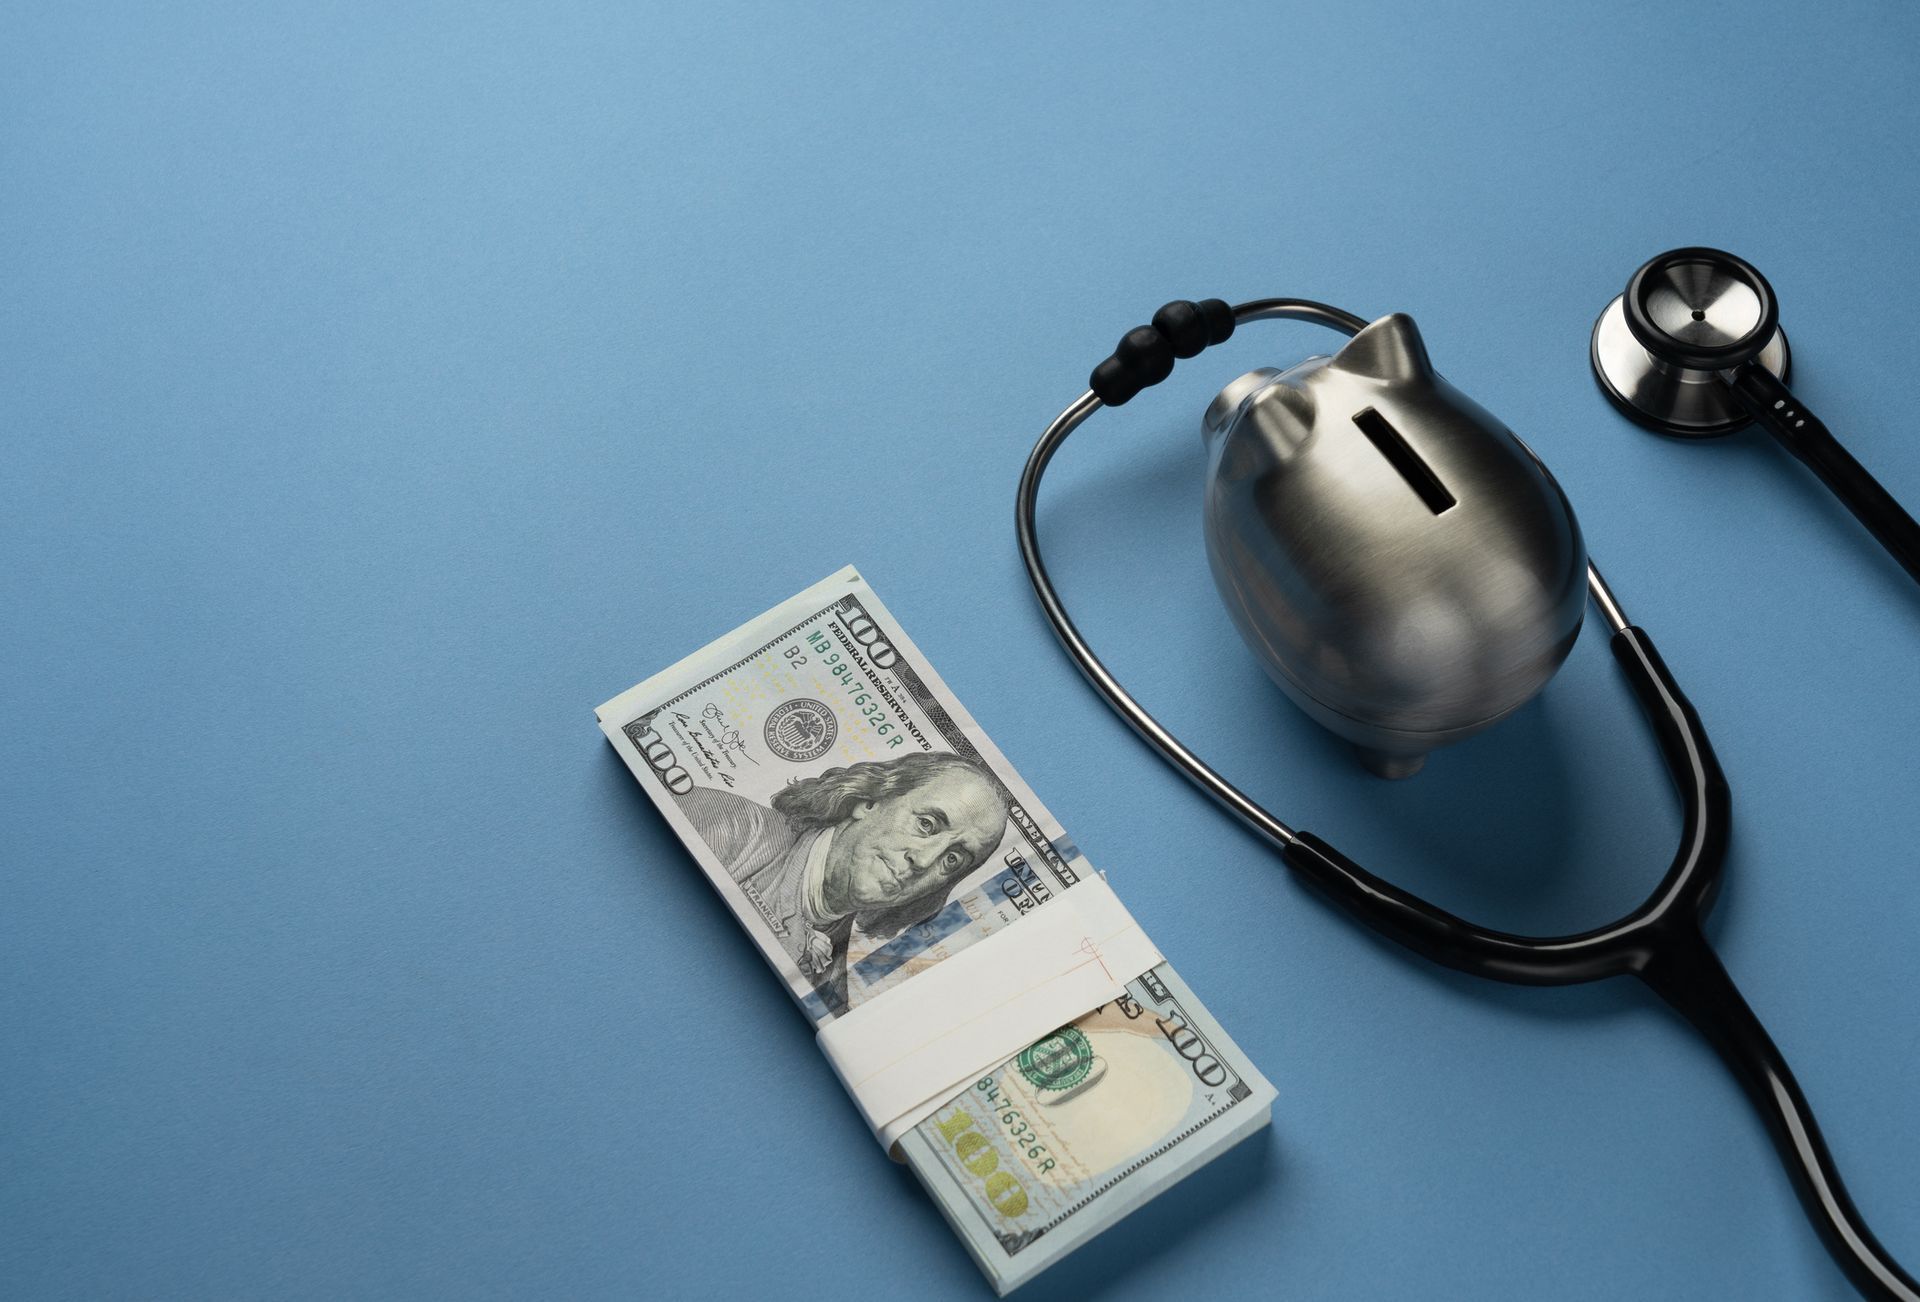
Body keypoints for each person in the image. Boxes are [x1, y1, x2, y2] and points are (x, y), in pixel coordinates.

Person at [677, 751, 1009, 1015]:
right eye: (926, 824)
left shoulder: (830, 995)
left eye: (952, 859)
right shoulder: (724, 827)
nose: (924, 861)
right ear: (868, 803)